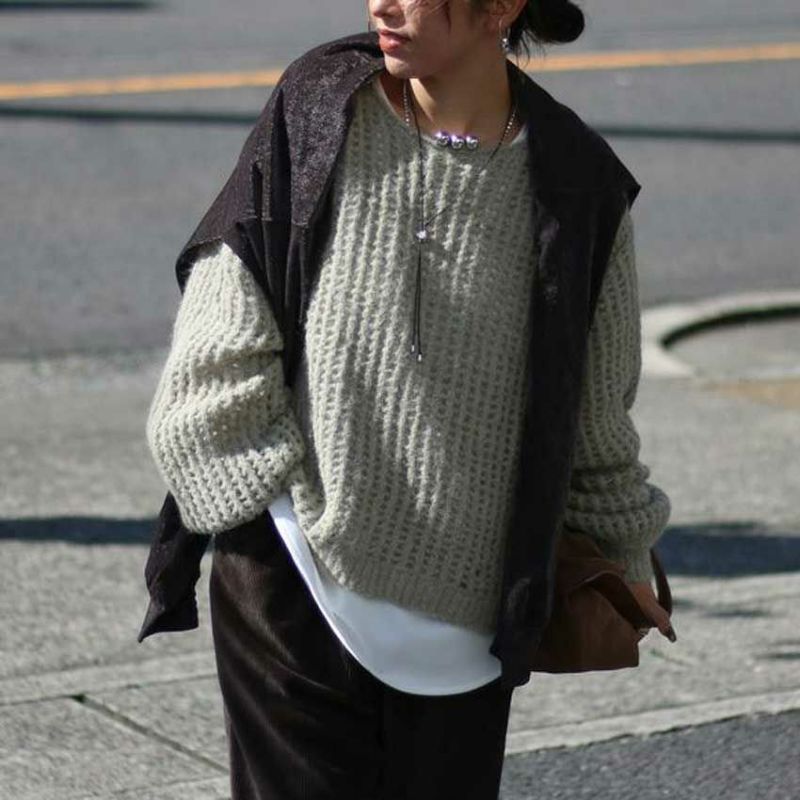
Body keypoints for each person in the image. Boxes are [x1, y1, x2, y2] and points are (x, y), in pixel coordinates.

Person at [143, 1, 675, 797]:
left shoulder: (579, 186)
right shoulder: (321, 105)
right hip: (293, 582)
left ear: (503, 6)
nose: (382, 4)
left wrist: (622, 560)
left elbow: (594, 422)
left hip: (469, 623)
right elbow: (230, 298)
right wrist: (254, 506)